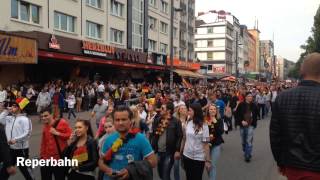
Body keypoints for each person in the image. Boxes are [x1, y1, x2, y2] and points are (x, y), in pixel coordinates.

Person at [270, 53, 320, 179]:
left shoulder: (282, 98)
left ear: (302, 70)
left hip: (292, 166)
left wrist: (280, 162)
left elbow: (275, 136)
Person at [99, 105, 157, 180]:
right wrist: (108, 170)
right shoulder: (108, 139)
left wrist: (131, 171)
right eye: (117, 120)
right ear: (113, 121)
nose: (120, 123)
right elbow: (101, 161)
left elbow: (153, 162)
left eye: (124, 119)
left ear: (131, 121)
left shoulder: (140, 139)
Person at [0, 100, 34, 180]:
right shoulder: (9, 118)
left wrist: (16, 140)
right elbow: (0, 120)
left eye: (14, 106)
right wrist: (6, 111)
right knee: (4, 172)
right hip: (10, 150)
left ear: (19, 108)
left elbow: (27, 133)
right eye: (12, 106)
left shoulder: (25, 119)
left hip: (21, 150)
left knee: (26, 171)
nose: (12, 107)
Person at [150, 102, 183, 180]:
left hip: (169, 152)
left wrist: (177, 150)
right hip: (159, 152)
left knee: (165, 175)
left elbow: (179, 136)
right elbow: (154, 135)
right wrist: (152, 149)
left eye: (162, 108)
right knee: (161, 174)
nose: (160, 110)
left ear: (168, 111)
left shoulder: (176, 121)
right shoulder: (157, 119)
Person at [40, 107, 72, 180]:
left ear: (51, 114)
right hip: (46, 159)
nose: (43, 118)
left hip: (59, 160)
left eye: (46, 115)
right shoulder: (45, 126)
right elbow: (43, 143)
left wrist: (57, 133)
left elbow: (69, 135)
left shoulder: (62, 122)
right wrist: (42, 157)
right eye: (42, 116)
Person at [182, 103, 211, 180]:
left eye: (190, 110)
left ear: (196, 111)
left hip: (199, 158)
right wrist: (180, 151)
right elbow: (185, 138)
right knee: (188, 177)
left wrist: (207, 161)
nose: (188, 112)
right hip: (187, 156)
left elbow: (206, 144)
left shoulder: (204, 125)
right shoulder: (188, 122)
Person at [235, 92, 258, 162]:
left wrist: (254, 122)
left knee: (248, 140)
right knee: (243, 141)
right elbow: (237, 114)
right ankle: (246, 151)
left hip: (250, 125)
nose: (250, 97)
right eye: (248, 96)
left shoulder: (254, 105)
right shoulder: (241, 104)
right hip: (242, 125)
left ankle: (247, 155)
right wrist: (241, 121)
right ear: (245, 97)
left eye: (251, 96)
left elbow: (256, 115)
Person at [206, 104, 224, 180]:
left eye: (214, 109)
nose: (213, 111)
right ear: (208, 111)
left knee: (212, 165)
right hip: (206, 145)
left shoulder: (219, 120)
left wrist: (215, 122)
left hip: (216, 144)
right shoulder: (205, 120)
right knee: (207, 165)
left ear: (216, 111)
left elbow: (221, 132)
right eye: (211, 109)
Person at [173, 105, 188, 180]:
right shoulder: (176, 120)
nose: (183, 110)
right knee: (176, 166)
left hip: (188, 146)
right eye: (181, 109)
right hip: (178, 145)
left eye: (185, 108)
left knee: (186, 166)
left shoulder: (190, 120)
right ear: (179, 111)